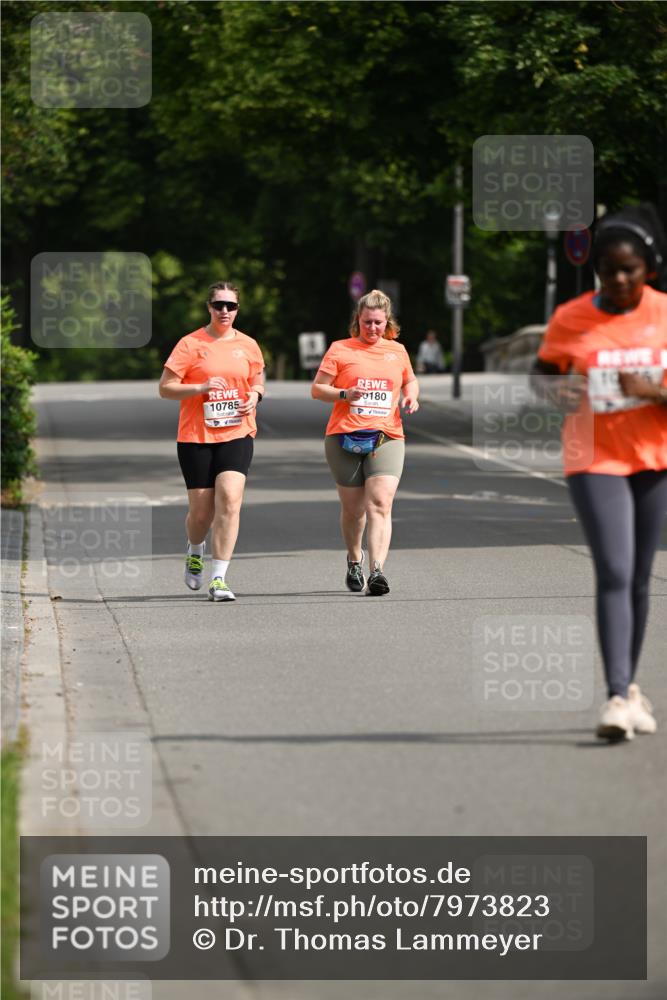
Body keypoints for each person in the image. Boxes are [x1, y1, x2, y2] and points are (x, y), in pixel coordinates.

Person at [532, 206, 667, 741]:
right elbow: (541, 377)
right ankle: (615, 696)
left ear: (648, 269)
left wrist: (652, 391)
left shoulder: (663, 314)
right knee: (613, 568)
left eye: (628, 270)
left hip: (655, 458)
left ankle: (630, 688)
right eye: (608, 270)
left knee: (637, 578)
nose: (617, 280)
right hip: (593, 458)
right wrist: (553, 391)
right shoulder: (570, 318)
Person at [159, 281, 265, 602]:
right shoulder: (191, 344)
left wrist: (255, 395)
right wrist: (200, 388)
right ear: (209, 307)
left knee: (230, 499)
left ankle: (219, 578)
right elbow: (165, 388)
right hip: (196, 436)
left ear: (237, 309)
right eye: (218, 305)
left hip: (237, 431)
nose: (224, 311)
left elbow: (257, 377)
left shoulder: (248, 345)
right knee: (202, 513)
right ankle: (195, 549)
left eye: (230, 306)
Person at [311, 289, 420, 596]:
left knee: (380, 504)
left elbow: (409, 378)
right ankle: (354, 558)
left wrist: (412, 394)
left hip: (387, 436)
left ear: (387, 323)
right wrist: (344, 394)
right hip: (343, 436)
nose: (372, 328)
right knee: (354, 511)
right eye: (367, 322)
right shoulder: (340, 350)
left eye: (378, 323)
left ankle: (377, 571)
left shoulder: (396, 351)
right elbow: (318, 389)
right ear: (357, 321)